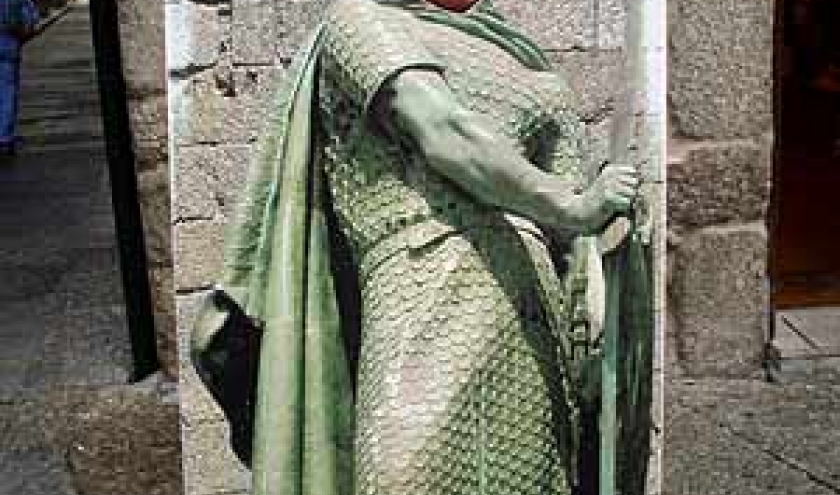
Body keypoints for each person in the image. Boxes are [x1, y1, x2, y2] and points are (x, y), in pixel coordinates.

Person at [191, 1, 654, 494]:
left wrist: (611, 233)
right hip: (422, 302)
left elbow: (576, 244)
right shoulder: (361, 21)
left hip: (532, 323)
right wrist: (575, 205)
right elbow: (445, 131)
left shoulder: (528, 66)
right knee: (405, 475)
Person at [0, 0, 38, 156]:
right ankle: (4, 137)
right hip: (8, 45)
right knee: (8, 94)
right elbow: (30, 16)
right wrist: (25, 32)